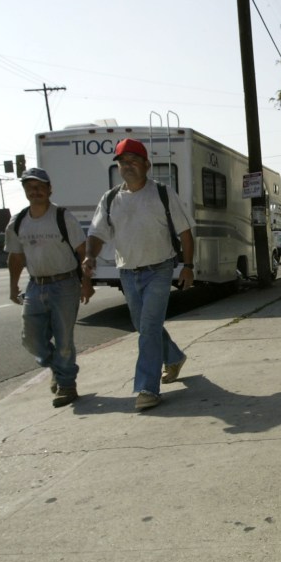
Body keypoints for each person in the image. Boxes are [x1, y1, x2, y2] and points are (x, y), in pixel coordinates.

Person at [82, 138, 195, 411]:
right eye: (122, 162)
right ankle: (174, 357)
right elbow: (97, 234)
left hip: (160, 268)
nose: (127, 166)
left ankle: (147, 387)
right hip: (128, 272)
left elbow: (185, 233)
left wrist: (188, 266)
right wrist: (90, 256)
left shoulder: (162, 193)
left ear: (147, 164)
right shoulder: (110, 199)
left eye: (133, 161)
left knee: (149, 328)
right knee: (145, 326)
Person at [5, 167, 92, 408]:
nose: (35, 191)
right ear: (24, 191)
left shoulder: (63, 217)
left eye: (40, 186)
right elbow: (15, 257)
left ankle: (66, 385)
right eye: (30, 187)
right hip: (35, 285)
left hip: (65, 284)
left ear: (49, 189)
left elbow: (83, 252)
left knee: (64, 340)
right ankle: (58, 368)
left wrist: (86, 283)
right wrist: (13, 287)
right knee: (31, 339)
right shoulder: (18, 221)